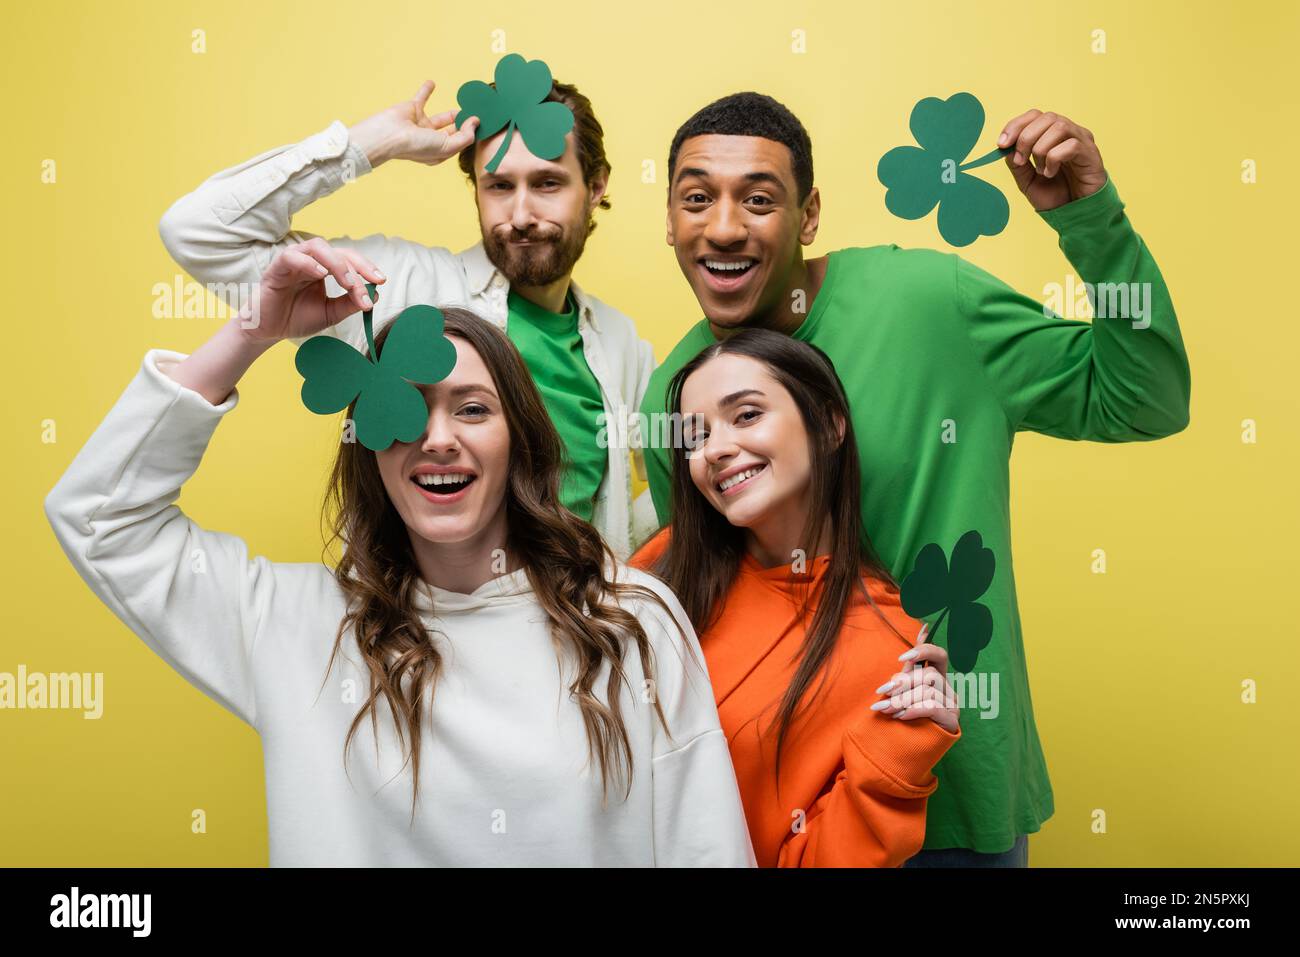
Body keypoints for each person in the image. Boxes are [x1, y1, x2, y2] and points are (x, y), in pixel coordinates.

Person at [45, 242, 754, 867]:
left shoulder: (631, 619)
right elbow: (99, 516)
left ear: (521, 443)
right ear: (368, 447)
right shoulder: (295, 627)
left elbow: (706, 844)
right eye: (405, 407)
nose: (437, 437)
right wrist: (253, 329)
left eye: (472, 408)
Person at [639, 93, 1191, 865]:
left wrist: (1091, 221)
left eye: (759, 199)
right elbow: (713, 618)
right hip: (787, 821)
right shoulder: (676, 405)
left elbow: (1146, 398)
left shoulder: (932, 305)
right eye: (697, 198)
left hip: (962, 801)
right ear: (669, 219)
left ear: (809, 213)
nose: (725, 227)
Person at [158, 74, 657, 558]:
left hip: (574, 631)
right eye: (500, 186)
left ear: (595, 187)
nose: (521, 215)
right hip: (421, 632)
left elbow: (664, 489)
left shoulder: (619, 344)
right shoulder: (398, 285)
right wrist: (370, 145)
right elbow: (199, 230)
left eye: (548, 183)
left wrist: (620, 581)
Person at [631, 329, 961, 866]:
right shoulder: (661, 570)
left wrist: (905, 750)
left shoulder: (889, 645)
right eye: (695, 436)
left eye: (746, 416)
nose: (713, 449)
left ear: (828, 424)